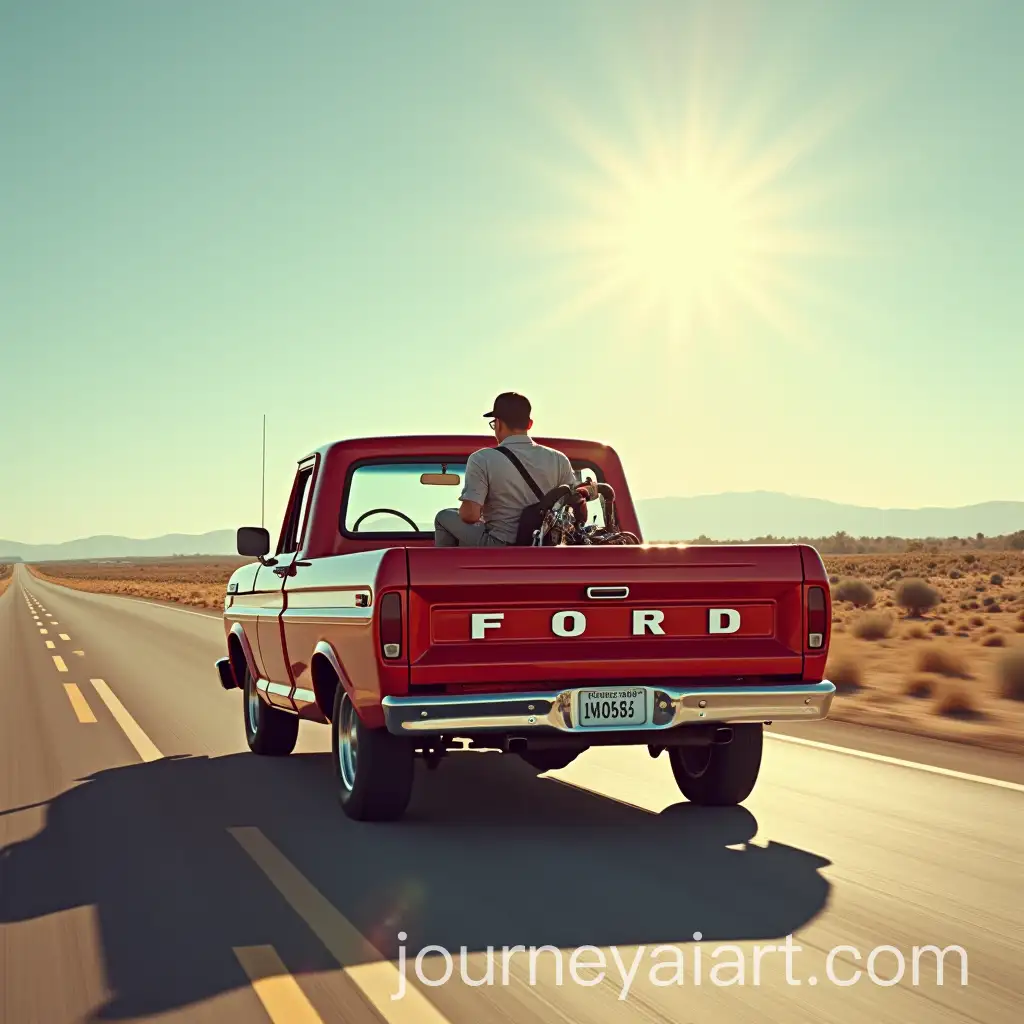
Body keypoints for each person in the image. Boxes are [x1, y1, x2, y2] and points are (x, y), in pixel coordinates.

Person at [434, 392, 579, 546]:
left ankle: (444, 563)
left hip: (500, 546)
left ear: (498, 423)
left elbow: (470, 516)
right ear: (529, 424)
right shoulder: (559, 459)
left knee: (443, 517)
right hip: (543, 546)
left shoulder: (482, 458)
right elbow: (576, 508)